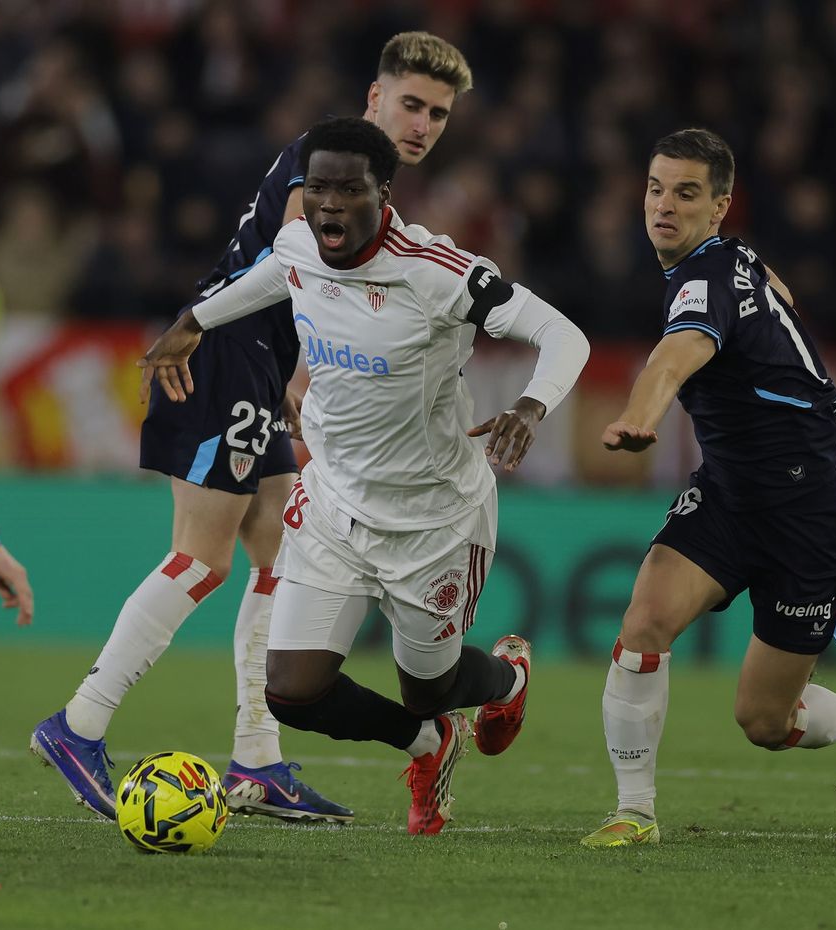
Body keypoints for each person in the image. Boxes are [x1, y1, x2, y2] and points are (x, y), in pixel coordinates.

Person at [32, 32, 475, 824]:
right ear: (374, 99)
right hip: (228, 356)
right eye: (410, 103)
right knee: (200, 560)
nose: (423, 123)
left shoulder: (360, 178)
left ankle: (257, 760)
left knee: (280, 558)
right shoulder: (331, 162)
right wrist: (298, 371)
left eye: (438, 113)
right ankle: (80, 723)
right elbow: (300, 264)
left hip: (258, 368)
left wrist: (289, 377)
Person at [141, 116, 589, 835]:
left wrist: (533, 404)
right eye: (317, 186)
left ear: (384, 192)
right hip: (335, 505)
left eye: (348, 189)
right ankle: (431, 745)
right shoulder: (298, 245)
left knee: (428, 686)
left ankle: (506, 680)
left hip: (433, 516)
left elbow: (563, 332)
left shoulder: (435, 272)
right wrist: (194, 321)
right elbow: (269, 276)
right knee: (289, 691)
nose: (328, 204)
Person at [581, 129, 836, 849]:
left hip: (806, 513)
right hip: (728, 496)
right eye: (656, 188)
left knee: (764, 722)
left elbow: (671, 359)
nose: (664, 205)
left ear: (718, 206)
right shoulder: (736, 261)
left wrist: (637, 417)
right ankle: (635, 811)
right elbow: (776, 302)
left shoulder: (706, 280)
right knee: (643, 621)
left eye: (686, 194)